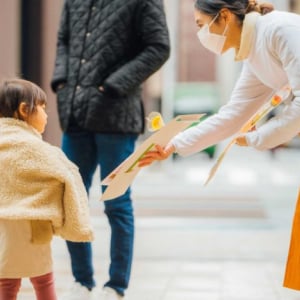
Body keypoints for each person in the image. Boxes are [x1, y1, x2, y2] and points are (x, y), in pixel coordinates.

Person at [138, 0, 300, 291]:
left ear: (223, 16)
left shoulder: (279, 30)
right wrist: (172, 145)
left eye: (201, 25)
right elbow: (231, 115)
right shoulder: (253, 55)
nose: (200, 34)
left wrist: (257, 138)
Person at [51, 0, 170, 299]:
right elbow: (64, 39)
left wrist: (114, 85)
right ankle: (82, 281)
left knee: (116, 203)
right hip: (76, 113)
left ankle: (116, 285)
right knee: (70, 199)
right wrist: (61, 82)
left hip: (117, 116)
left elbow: (158, 47)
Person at [0, 78, 93, 300]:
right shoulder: (39, 149)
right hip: (34, 225)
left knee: (6, 280)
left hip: (3, 225)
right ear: (24, 110)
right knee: (43, 279)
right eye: (42, 107)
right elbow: (66, 174)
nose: (46, 114)